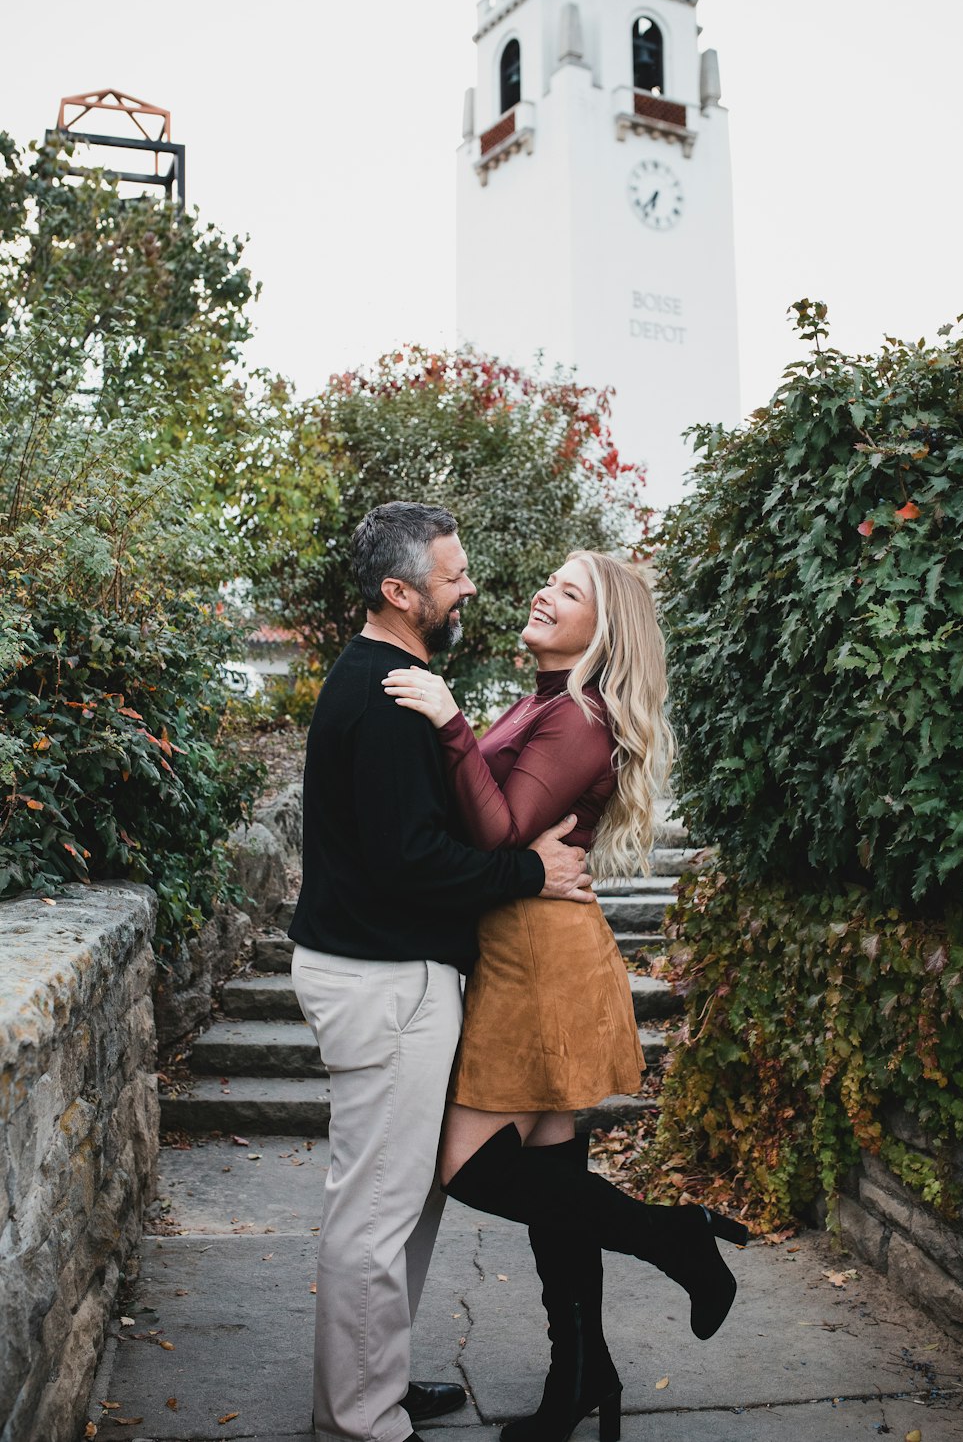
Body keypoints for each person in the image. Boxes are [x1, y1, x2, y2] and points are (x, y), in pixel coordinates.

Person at [383, 550, 748, 1442]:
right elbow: (501, 830)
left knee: (465, 1164)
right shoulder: (546, 699)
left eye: (571, 591)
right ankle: (582, 1382)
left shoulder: (579, 715)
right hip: (521, 942)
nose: (545, 592)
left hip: (536, 960)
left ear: (605, 630)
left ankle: (676, 1239)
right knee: (551, 1179)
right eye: (549, 580)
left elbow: (502, 828)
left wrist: (450, 721)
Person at [288, 502, 595, 1442]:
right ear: (400, 592)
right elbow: (410, 861)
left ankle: (373, 1381)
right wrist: (530, 870)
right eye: (453, 576)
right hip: (386, 980)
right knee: (377, 1212)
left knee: (402, 1201)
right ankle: (360, 1422)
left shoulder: (394, 678)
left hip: (395, 973)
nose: (470, 587)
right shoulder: (385, 698)